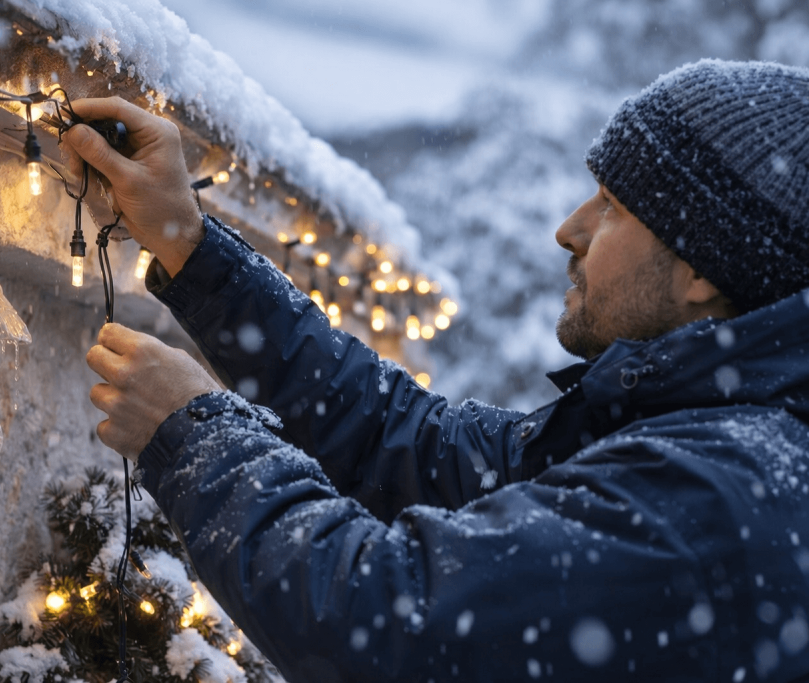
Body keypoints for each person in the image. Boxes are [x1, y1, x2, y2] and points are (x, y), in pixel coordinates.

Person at [62, 59, 809, 682]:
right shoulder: (689, 434)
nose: (570, 230)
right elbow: (406, 438)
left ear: (700, 271)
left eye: (612, 206)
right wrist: (191, 244)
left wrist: (196, 430)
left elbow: (390, 618)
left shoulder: (722, 496)